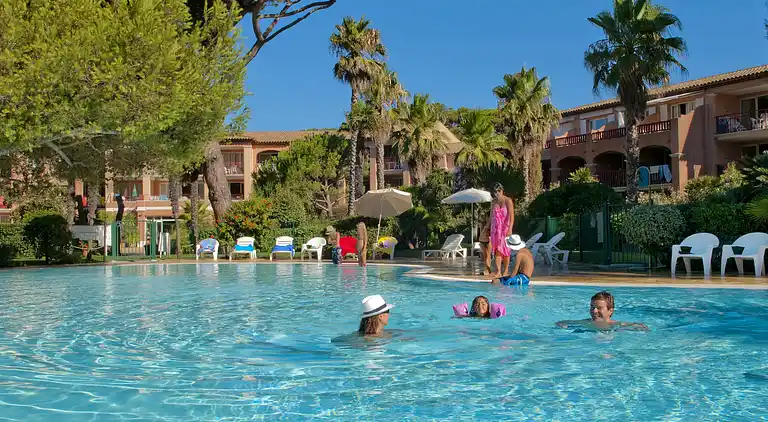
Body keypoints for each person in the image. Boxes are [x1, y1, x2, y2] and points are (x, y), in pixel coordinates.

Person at [555, 291, 649, 332]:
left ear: (610, 311)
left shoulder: (617, 325)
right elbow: (560, 322)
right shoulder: (586, 322)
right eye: (592, 307)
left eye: (599, 308)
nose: (594, 311)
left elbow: (642, 327)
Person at [489, 182, 514, 278]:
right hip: (495, 230)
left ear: (502, 190)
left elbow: (512, 216)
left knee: (506, 251)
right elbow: (491, 216)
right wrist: (486, 227)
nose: (497, 193)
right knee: (497, 250)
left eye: (499, 191)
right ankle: (498, 271)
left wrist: (510, 229)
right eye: (495, 191)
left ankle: (506, 270)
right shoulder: (493, 202)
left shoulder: (508, 201)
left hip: (505, 229)